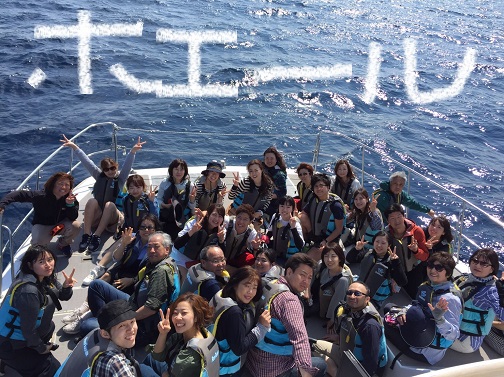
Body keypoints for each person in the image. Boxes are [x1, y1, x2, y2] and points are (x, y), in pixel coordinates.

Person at [69, 232, 180, 347]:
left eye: (156, 247)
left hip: (144, 326)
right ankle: (106, 322)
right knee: (97, 285)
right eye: (149, 247)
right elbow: (142, 278)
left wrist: (124, 321)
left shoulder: (161, 272)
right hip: (134, 302)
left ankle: (108, 329)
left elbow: (151, 308)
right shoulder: (160, 263)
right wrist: (132, 280)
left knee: (86, 326)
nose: (151, 250)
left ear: (167, 249)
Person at [61, 214, 162, 334]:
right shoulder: (132, 238)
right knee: (104, 277)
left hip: (134, 281)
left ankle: (85, 317)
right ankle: (84, 309)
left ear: (156, 230)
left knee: (104, 289)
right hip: (122, 270)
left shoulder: (155, 248)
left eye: (150, 228)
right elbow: (116, 258)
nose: (146, 230)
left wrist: (132, 280)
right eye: (143, 227)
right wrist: (124, 243)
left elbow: (149, 273)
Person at [244, 253, 326, 377]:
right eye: (302, 275)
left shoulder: (272, 284)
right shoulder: (289, 301)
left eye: (310, 277)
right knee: (321, 364)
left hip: (254, 360)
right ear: (289, 272)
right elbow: (300, 338)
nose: (306, 282)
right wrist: (306, 371)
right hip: (274, 368)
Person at [60, 134, 145, 253]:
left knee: (109, 204)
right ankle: (86, 235)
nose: (110, 171)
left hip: (112, 220)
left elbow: (127, 166)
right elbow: (87, 162)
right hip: (98, 217)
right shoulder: (98, 176)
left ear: (116, 167)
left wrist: (132, 152)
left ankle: (96, 237)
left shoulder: (120, 179)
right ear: (103, 170)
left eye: (112, 168)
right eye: (106, 169)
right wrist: (74, 147)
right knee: (92, 201)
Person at [0, 245, 75, 377]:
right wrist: (41, 349)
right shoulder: (29, 292)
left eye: (50, 259)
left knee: (50, 326)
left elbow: (63, 296)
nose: (48, 265)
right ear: (30, 265)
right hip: (12, 344)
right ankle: (9, 362)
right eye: (41, 262)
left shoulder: (45, 278)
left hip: (26, 336)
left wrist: (66, 286)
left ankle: (14, 363)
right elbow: (28, 330)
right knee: (52, 368)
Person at [384, 252, 462, 365]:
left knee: (382, 325)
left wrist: (439, 319)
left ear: (448, 272)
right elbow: (416, 305)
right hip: (419, 327)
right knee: (389, 307)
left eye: (439, 268)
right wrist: (402, 313)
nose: (433, 270)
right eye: (430, 265)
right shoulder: (429, 286)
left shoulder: (450, 299)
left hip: (425, 349)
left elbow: (454, 335)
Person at [81, 174, 158, 286]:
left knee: (119, 248)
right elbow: (126, 217)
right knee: (118, 247)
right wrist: (121, 229)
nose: (135, 190)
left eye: (138, 187)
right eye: (131, 188)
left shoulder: (148, 200)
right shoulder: (126, 199)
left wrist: (151, 202)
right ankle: (100, 268)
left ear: (143, 187)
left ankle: (101, 268)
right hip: (130, 232)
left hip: (145, 233)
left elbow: (155, 218)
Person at [55, 299, 159, 377]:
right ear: (105, 334)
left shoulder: (94, 333)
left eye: (132, 322)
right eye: (121, 326)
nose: (131, 329)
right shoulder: (115, 363)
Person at [313, 281, 388, 377]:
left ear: (367, 299)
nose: (352, 296)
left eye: (357, 294)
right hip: (346, 353)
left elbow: (371, 363)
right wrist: (338, 337)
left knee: (322, 361)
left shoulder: (369, 326)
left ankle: (336, 373)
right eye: (349, 293)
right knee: (314, 345)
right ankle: (336, 370)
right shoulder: (350, 311)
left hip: (357, 366)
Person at [209, 266, 272, 376]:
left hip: (211, 362)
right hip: (224, 370)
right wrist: (262, 327)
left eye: (254, 287)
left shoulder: (221, 295)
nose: (250, 292)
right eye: (246, 286)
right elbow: (240, 348)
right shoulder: (234, 313)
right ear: (235, 284)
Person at [0, 172, 79, 257]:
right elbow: (18, 194)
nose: (64, 187)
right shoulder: (40, 196)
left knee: (75, 226)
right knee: (38, 246)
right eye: (60, 183)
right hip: (43, 225)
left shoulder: (70, 199)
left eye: (67, 185)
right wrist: (2, 205)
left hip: (60, 225)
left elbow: (73, 217)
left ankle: (63, 244)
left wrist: (69, 204)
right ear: (53, 184)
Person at [145, 292, 220, 377]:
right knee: (149, 358)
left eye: (184, 313)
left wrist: (165, 374)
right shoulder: (203, 333)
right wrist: (163, 334)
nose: (177, 317)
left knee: (142, 368)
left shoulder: (190, 355)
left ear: (196, 317)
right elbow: (157, 355)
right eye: (175, 313)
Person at [451, 248, 504, 353]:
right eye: (475, 261)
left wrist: (502, 295)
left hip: (465, 341)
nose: (478, 265)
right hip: (454, 328)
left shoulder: (490, 291)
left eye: (484, 264)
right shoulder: (467, 278)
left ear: (492, 269)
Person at [346, 231, 407, 308]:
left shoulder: (391, 261)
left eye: (383, 243)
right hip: (360, 290)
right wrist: (356, 249)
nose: (379, 245)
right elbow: (349, 259)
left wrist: (396, 262)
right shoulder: (368, 253)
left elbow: (402, 281)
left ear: (389, 245)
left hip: (375, 299)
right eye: (377, 241)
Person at [385, 203, 428, 298]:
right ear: (388, 221)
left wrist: (416, 250)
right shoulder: (387, 234)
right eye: (392, 218)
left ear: (404, 216)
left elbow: (425, 256)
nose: (397, 221)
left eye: (399, 217)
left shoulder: (417, 231)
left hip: (415, 269)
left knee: (413, 296)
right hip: (398, 269)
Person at [300, 173, 345, 261]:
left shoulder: (335, 206)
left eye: (321, 185)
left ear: (328, 187)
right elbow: (303, 213)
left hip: (329, 239)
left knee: (307, 260)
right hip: (316, 235)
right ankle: (308, 243)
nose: (318, 189)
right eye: (316, 186)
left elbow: (339, 229)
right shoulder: (313, 199)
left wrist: (326, 241)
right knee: (301, 218)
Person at [314, 244, 352, 327]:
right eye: (326, 256)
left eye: (333, 256)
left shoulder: (343, 279)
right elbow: (311, 279)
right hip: (316, 300)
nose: (329, 260)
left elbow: (338, 300)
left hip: (326, 308)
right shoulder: (322, 266)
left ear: (340, 258)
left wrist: (332, 319)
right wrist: (307, 292)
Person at [157, 158, 196, 241]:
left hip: (182, 220)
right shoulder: (165, 183)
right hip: (166, 219)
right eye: (176, 169)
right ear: (171, 170)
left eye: (181, 169)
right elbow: (158, 200)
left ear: (185, 171)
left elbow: (192, 207)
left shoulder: (190, 185)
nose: (179, 172)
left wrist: (192, 200)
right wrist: (164, 205)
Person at [266, 196, 304, 263]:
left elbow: (300, 245)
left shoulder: (296, 224)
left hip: (288, 259)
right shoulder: (275, 217)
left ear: (292, 209)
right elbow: (269, 233)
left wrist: (293, 228)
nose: (284, 210)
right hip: (275, 255)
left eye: (288, 207)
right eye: (282, 206)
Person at [223, 204, 258, 270]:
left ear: (250, 222)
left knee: (251, 259)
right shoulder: (227, 221)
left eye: (245, 219)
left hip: (236, 258)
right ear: (235, 217)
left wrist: (256, 248)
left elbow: (258, 254)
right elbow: (212, 214)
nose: (241, 222)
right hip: (221, 254)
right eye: (239, 217)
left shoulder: (252, 233)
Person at [262, 147, 287, 218]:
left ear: (276, 159)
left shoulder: (279, 175)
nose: (269, 161)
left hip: (272, 203)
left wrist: (269, 196)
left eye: (271, 158)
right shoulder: (263, 168)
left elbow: (283, 192)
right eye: (267, 158)